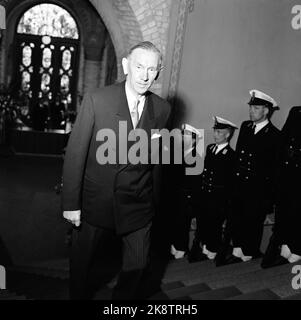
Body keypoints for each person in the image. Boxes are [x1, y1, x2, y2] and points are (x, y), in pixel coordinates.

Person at [62, 41, 171, 300]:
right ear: (126, 65)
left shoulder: (163, 109)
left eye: (152, 69)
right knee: (82, 266)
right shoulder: (98, 100)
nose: (145, 76)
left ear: (159, 71)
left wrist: (155, 202)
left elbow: (156, 162)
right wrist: (71, 204)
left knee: (137, 267)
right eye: (139, 66)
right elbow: (75, 154)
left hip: (138, 204)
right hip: (95, 203)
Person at [222, 89, 281, 265]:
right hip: (240, 185)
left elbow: (273, 169)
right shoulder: (246, 127)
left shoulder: (274, 135)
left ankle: (249, 251)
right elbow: (239, 155)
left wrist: (268, 197)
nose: (251, 111)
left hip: (258, 189)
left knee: (253, 220)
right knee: (238, 217)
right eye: (251, 108)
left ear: (266, 111)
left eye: (256, 108)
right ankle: (238, 249)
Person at [188, 116, 237, 264]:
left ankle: (213, 250)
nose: (215, 135)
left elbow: (229, 181)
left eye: (219, 132)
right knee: (204, 223)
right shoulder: (210, 148)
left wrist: (225, 202)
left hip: (219, 198)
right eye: (215, 131)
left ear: (227, 134)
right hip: (206, 195)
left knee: (215, 225)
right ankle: (206, 248)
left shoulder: (230, 155)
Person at [261, 106, 301, 268]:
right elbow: (281, 147)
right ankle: (287, 248)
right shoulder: (295, 114)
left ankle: (296, 249)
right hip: (287, 181)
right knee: (286, 215)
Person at [169, 124, 203, 259]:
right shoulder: (177, 153)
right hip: (176, 196)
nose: (183, 138)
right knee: (175, 223)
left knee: (183, 224)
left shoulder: (196, 157)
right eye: (183, 135)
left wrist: (190, 201)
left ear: (194, 140)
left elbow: (195, 183)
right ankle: (175, 248)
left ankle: (181, 249)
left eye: (187, 136)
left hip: (187, 198)